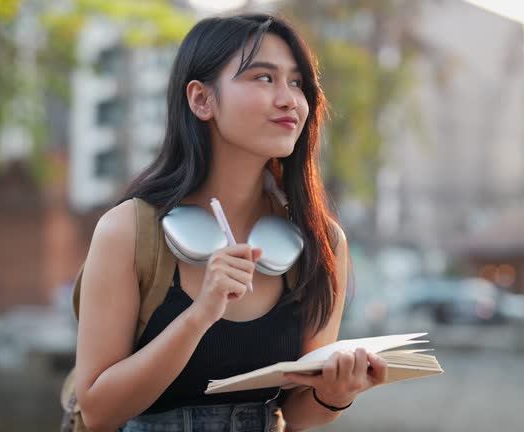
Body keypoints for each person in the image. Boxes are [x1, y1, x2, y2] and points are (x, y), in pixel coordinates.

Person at [75, 13, 389, 432]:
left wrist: (334, 394)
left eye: (297, 83)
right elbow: (97, 411)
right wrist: (200, 314)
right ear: (202, 100)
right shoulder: (129, 231)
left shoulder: (323, 241)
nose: (289, 100)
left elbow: (297, 413)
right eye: (264, 78)